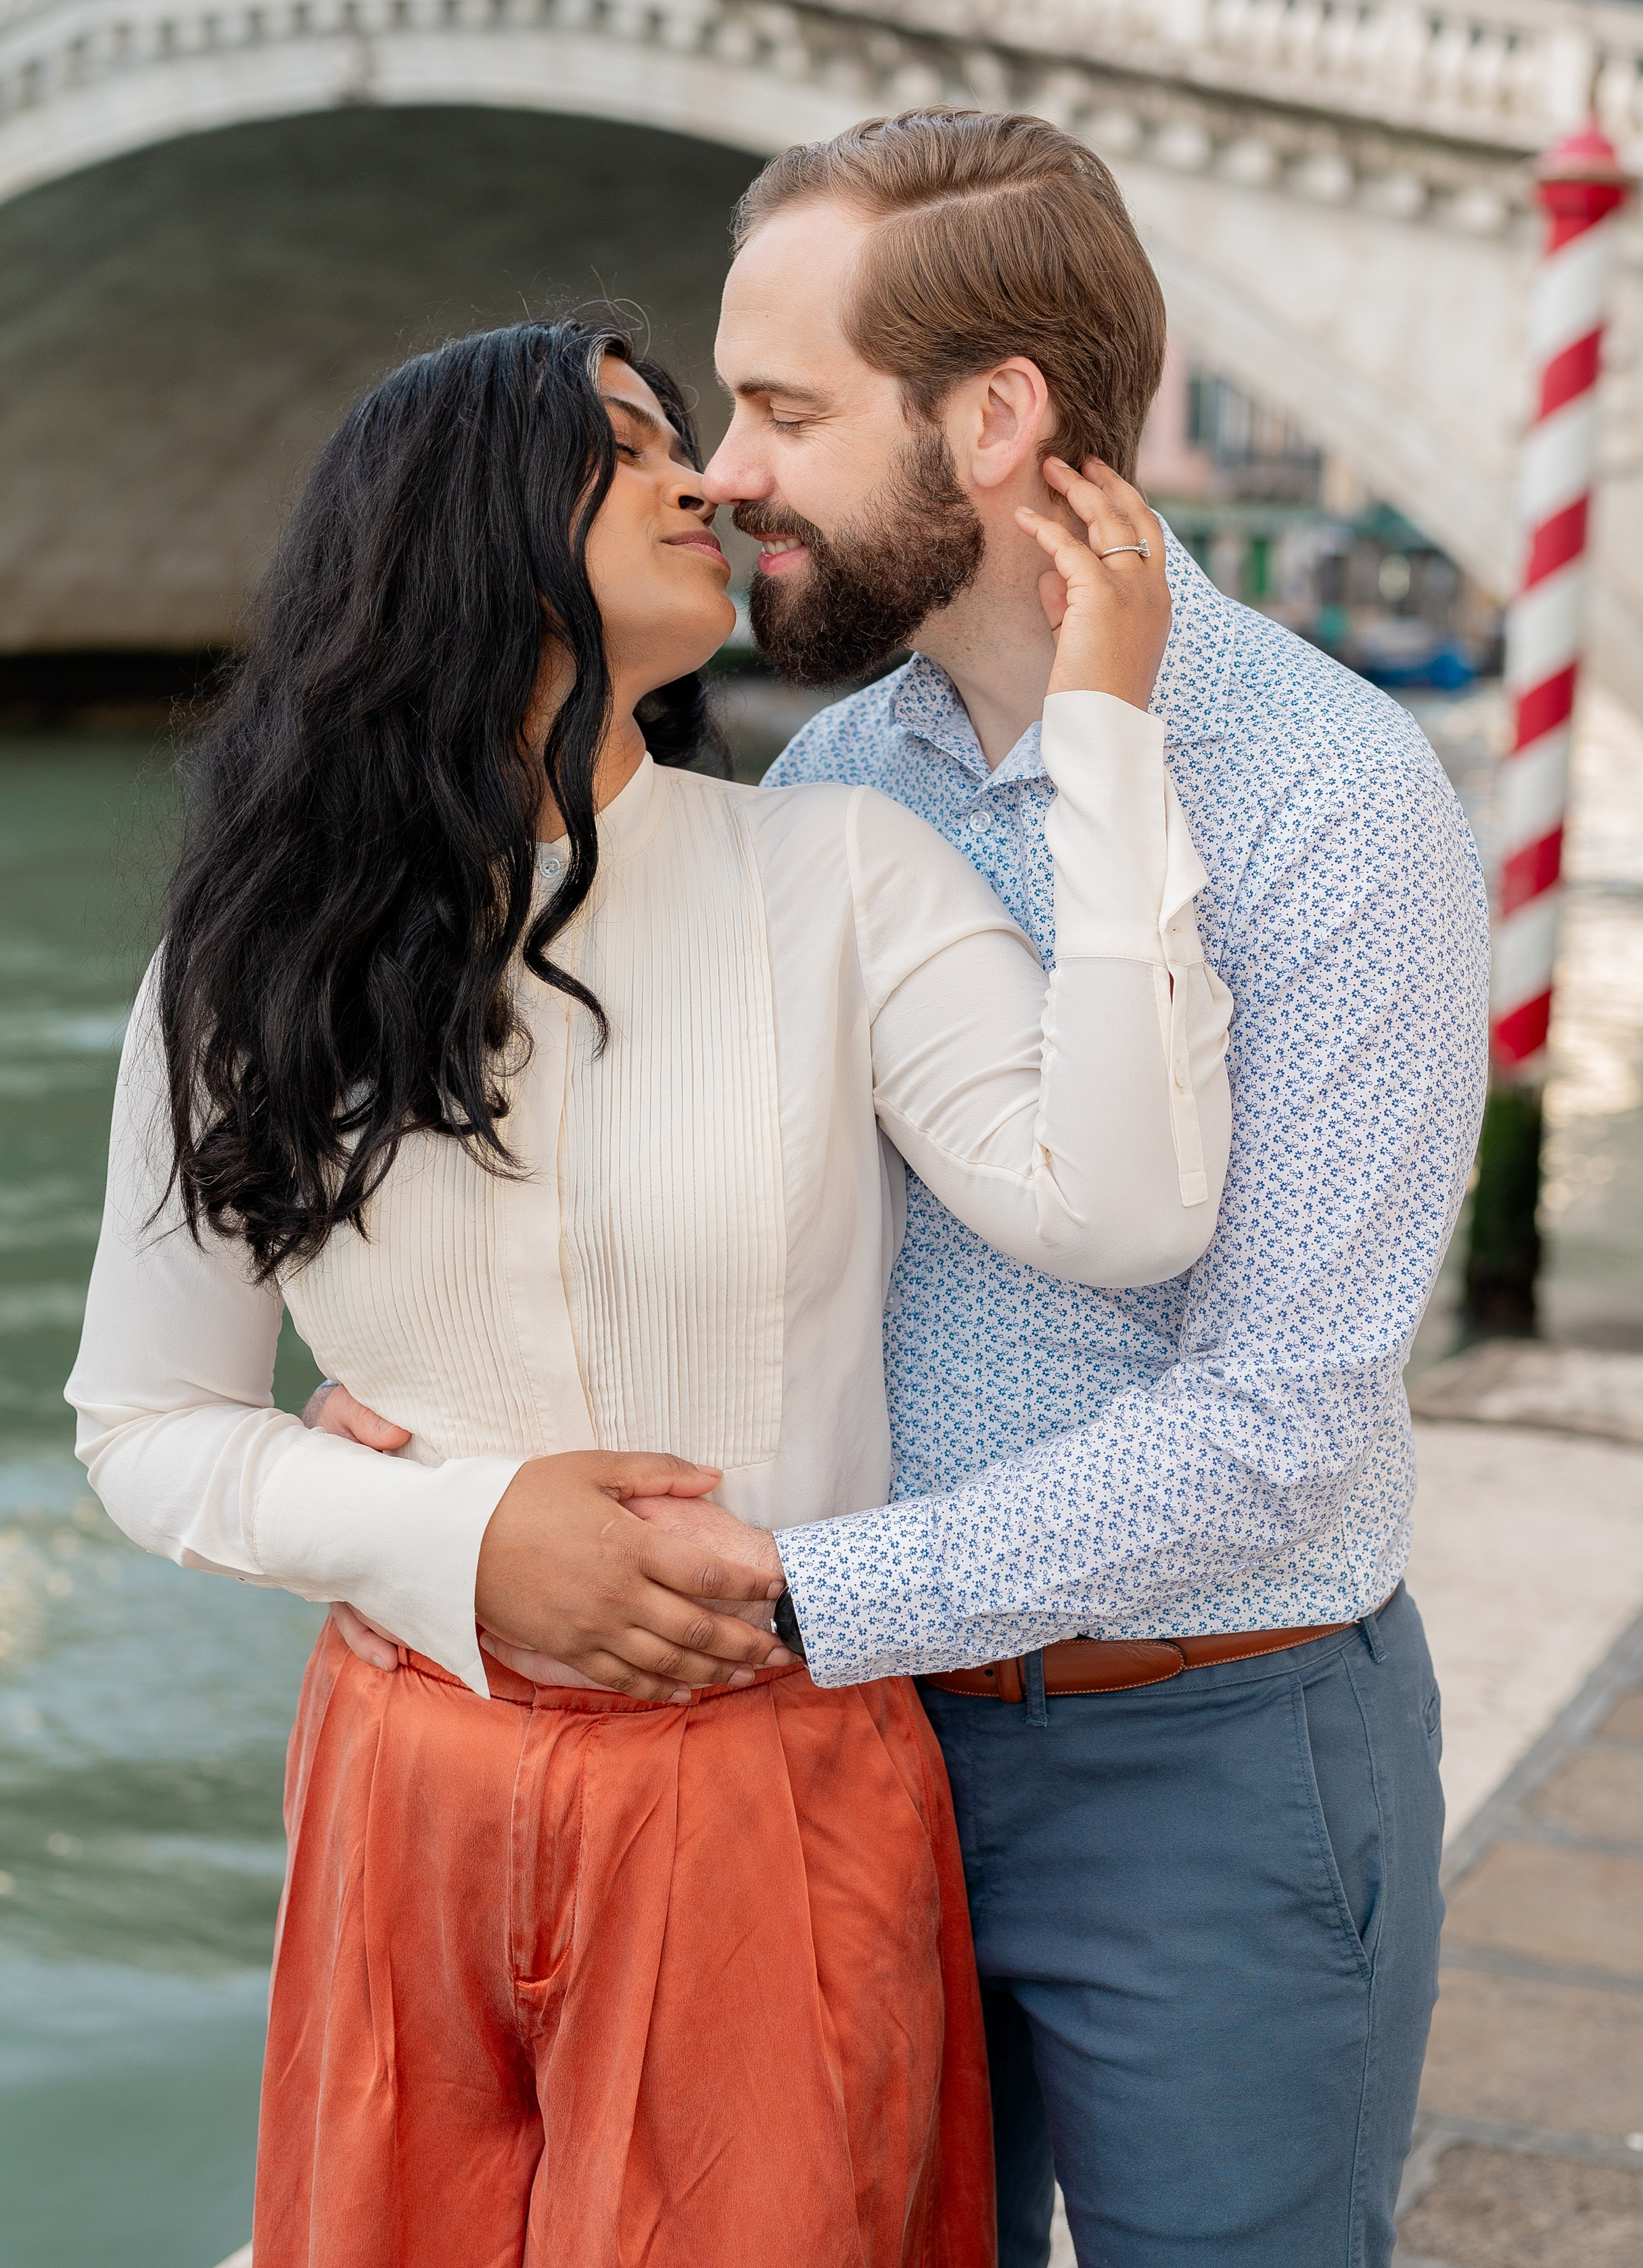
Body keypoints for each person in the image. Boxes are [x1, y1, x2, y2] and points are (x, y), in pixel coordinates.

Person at [321, 110, 1490, 2267]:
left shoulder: (1338, 798)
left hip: (1201, 1765)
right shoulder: (832, 774)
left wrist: (795, 1597)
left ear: (996, 419)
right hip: (847, 1764)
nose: (727, 472)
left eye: (781, 409)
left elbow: (1279, 1424)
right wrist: (440, 1388)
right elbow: (675, 1192)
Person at [66, 313, 1233, 2267]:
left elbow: (1122, 1205)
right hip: (405, 1779)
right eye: (627, 443)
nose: (703, 475)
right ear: (460, 526)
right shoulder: (248, 958)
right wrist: (459, 1529)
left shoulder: (839, 875)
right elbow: (147, 1428)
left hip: (764, 1781)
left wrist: (1107, 736)